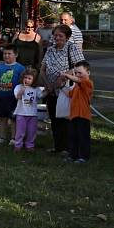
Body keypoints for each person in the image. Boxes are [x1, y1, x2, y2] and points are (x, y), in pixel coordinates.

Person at [40, 24, 84, 154]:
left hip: (66, 90)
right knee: (54, 118)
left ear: (67, 37)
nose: (57, 38)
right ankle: (58, 146)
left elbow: (80, 66)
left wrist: (64, 76)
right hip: (51, 90)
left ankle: (68, 148)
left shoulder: (71, 48)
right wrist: (47, 83)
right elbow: (43, 68)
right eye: (55, 35)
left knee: (65, 118)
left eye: (60, 36)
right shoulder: (50, 49)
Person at [0, 45, 26, 146]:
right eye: (5, 54)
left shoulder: (20, 68)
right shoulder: (0, 67)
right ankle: (2, 137)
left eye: (9, 54)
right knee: (2, 117)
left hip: (13, 98)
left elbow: (23, 83)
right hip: (1, 96)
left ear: (16, 55)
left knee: (13, 118)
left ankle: (14, 138)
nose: (6, 56)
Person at [62, 61, 93, 163]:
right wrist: (61, 86)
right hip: (74, 115)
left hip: (83, 116)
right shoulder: (76, 86)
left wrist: (67, 75)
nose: (77, 75)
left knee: (83, 137)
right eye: (76, 73)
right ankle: (73, 155)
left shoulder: (88, 83)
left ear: (88, 73)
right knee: (73, 136)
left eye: (80, 72)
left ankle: (83, 157)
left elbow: (79, 81)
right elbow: (69, 94)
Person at [13, 68, 46, 153]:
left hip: (32, 114)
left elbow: (41, 95)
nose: (27, 80)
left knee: (31, 131)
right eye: (25, 78)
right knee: (20, 131)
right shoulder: (18, 87)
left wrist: (48, 90)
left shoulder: (36, 89)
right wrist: (23, 89)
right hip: (21, 113)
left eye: (29, 78)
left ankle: (30, 145)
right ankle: (18, 145)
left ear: (33, 80)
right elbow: (18, 97)